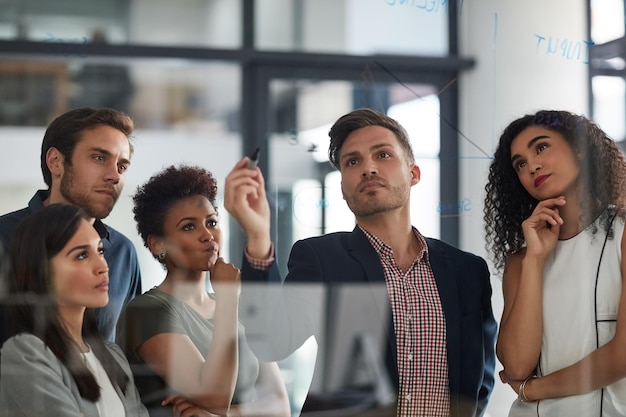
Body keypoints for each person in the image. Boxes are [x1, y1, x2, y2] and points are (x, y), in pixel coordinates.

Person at [225, 108, 497, 417]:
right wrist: (258, 234)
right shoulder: (322, 258)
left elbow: (479, 381)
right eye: (352, 162)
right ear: (342, 187)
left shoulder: (467, 271)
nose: (368, 168)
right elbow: (272, 342)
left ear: (413, 173)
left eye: (383, 155)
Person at [117, 165, 291, 417]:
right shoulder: (149, 310)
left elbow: (280, 406)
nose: (208, 235)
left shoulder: (239, 307)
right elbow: (215, 396)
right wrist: (228, 297)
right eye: (189, 227)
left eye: (212, 222)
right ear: (157, 244)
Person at [483, 110, 626, 416]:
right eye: (520, 163)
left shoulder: (622, 233)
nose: (532, 165)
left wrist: (535, 388)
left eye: (542, 147)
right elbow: (517, 364)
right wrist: (535, 259)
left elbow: (622, 357)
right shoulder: (522, 260)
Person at [0, 107, 142, 343]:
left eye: (122, 166)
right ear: (56, 162)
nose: (115, 176)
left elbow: (127, 356)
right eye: (99, 158)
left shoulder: (122, 253)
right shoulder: (4, 238)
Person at [0, 203, 148, 417]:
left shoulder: (113, 356)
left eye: (100, 251)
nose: (103, 266)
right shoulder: (24, 353)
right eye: (81, 256)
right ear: (42, 271)